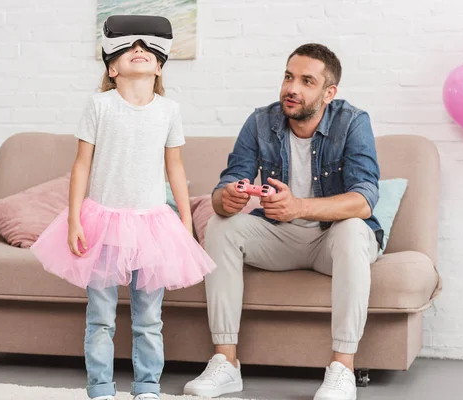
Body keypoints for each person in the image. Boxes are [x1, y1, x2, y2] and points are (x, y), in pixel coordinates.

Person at [31, 15, 216, 400]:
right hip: (102, 221)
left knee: (148, 318)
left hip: (152, 225)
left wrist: (184, 218)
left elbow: (175, 166)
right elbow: (81, 164)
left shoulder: (169, 111)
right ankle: (100, 387)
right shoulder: (99, 106)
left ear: (160, 66)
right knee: (100, 317)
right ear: (112, 68)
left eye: (148, 49)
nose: (139, 50)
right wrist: (75, 218)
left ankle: (147, 386)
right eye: (129, 47)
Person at [183, 43, 382, 400]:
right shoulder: (261, 121)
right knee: (221, 226)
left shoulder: (352, 122)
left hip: (332, 241)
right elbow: (225, 186)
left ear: (329, 92)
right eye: (289, 77)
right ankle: (225, 363)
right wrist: (226, 199)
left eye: (307, 81)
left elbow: (364, 200)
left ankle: (342, 368)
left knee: (353, 228)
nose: (292, 88)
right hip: (279, 238)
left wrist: (299, 207)